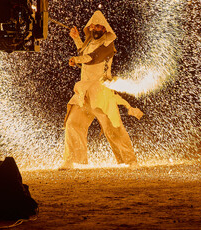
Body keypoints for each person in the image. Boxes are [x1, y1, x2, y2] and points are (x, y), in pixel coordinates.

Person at [60, 10, 143, 170]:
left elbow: (93, 58)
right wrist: (76, 38)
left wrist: (77, 59)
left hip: (101, 94)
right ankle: (70, 160)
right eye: (93, 27)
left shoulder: (107, 45)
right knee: (73, 123)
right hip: (84, 93)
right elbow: (84, 54)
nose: (95, 29)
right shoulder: (89, 43)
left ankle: (131, 160)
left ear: (104, 28)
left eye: (98, 27)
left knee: (113, 128)